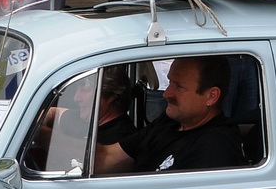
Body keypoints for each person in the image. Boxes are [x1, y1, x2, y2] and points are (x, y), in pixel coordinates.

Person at [95, 57, 245, 173]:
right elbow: (108, 157)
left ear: (211, 96)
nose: (166, 94)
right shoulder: (170, 121)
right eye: (170, 82)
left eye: (179, 87)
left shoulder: (214, 148)